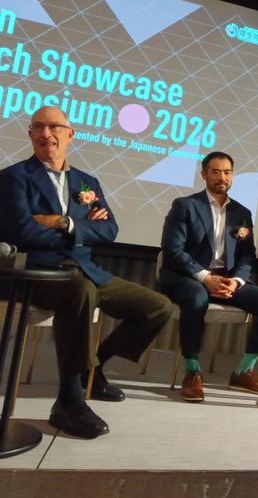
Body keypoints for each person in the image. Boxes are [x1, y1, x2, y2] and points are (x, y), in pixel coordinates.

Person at [0, 106, 171, 439]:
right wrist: (81, 229)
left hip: (85, 269)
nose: (46, 134)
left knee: (157, 306)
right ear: (31, 134)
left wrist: (63, 223)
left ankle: (93, 371)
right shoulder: (13, 177)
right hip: (35, 272)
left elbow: (109, 230)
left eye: (54, 127)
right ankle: (68, 401)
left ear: (70, 134)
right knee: (80, 291)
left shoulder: (86, 182)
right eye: (38, 127)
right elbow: (22, 231)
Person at [160, 151, 258, 402]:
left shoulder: (242, 213)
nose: (222, 177)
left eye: (227, 172)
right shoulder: (185, 205)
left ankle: (244, 371)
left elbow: (248, 255)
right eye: (216, 172)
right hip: (190, 278)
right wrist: (206, 277)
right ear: (204, 175)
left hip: (227, 281)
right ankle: (192, 371)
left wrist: (236, 281)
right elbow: (173, 251)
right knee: (197, 299)